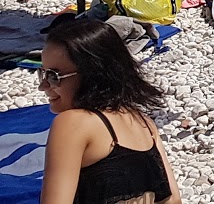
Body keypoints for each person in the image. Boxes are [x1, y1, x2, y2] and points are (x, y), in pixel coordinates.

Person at [38, 18, 181, 204]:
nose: (43, 86)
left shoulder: (72, 123)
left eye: (53, 76)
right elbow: (173, 199)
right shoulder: (144, 123)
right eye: (42, 73)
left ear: (92, 75)